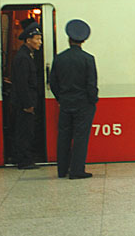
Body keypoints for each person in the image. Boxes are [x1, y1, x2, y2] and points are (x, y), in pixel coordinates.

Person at [49, 19, 98, 179]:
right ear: (83, 40)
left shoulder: (59, 58)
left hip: (65, 103)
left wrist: (61, 98)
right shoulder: (88, 59)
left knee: (63, 135)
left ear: (69, 39)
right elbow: (91, 84)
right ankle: (77, 170)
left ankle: (62, 170)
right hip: (83, 104)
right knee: (80, 137)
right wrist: (93, 100)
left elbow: (53, 82)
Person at [11, 21, 43, 169]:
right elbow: (22, 84)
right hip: (25, 103)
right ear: (28, 40)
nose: (40, 42)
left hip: (26, 101)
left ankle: (26, 158)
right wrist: (28, 104)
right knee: (24, 131)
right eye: (37, 39)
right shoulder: (23, 58)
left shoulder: (26, 55)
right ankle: (24, 160)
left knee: (27, 130)